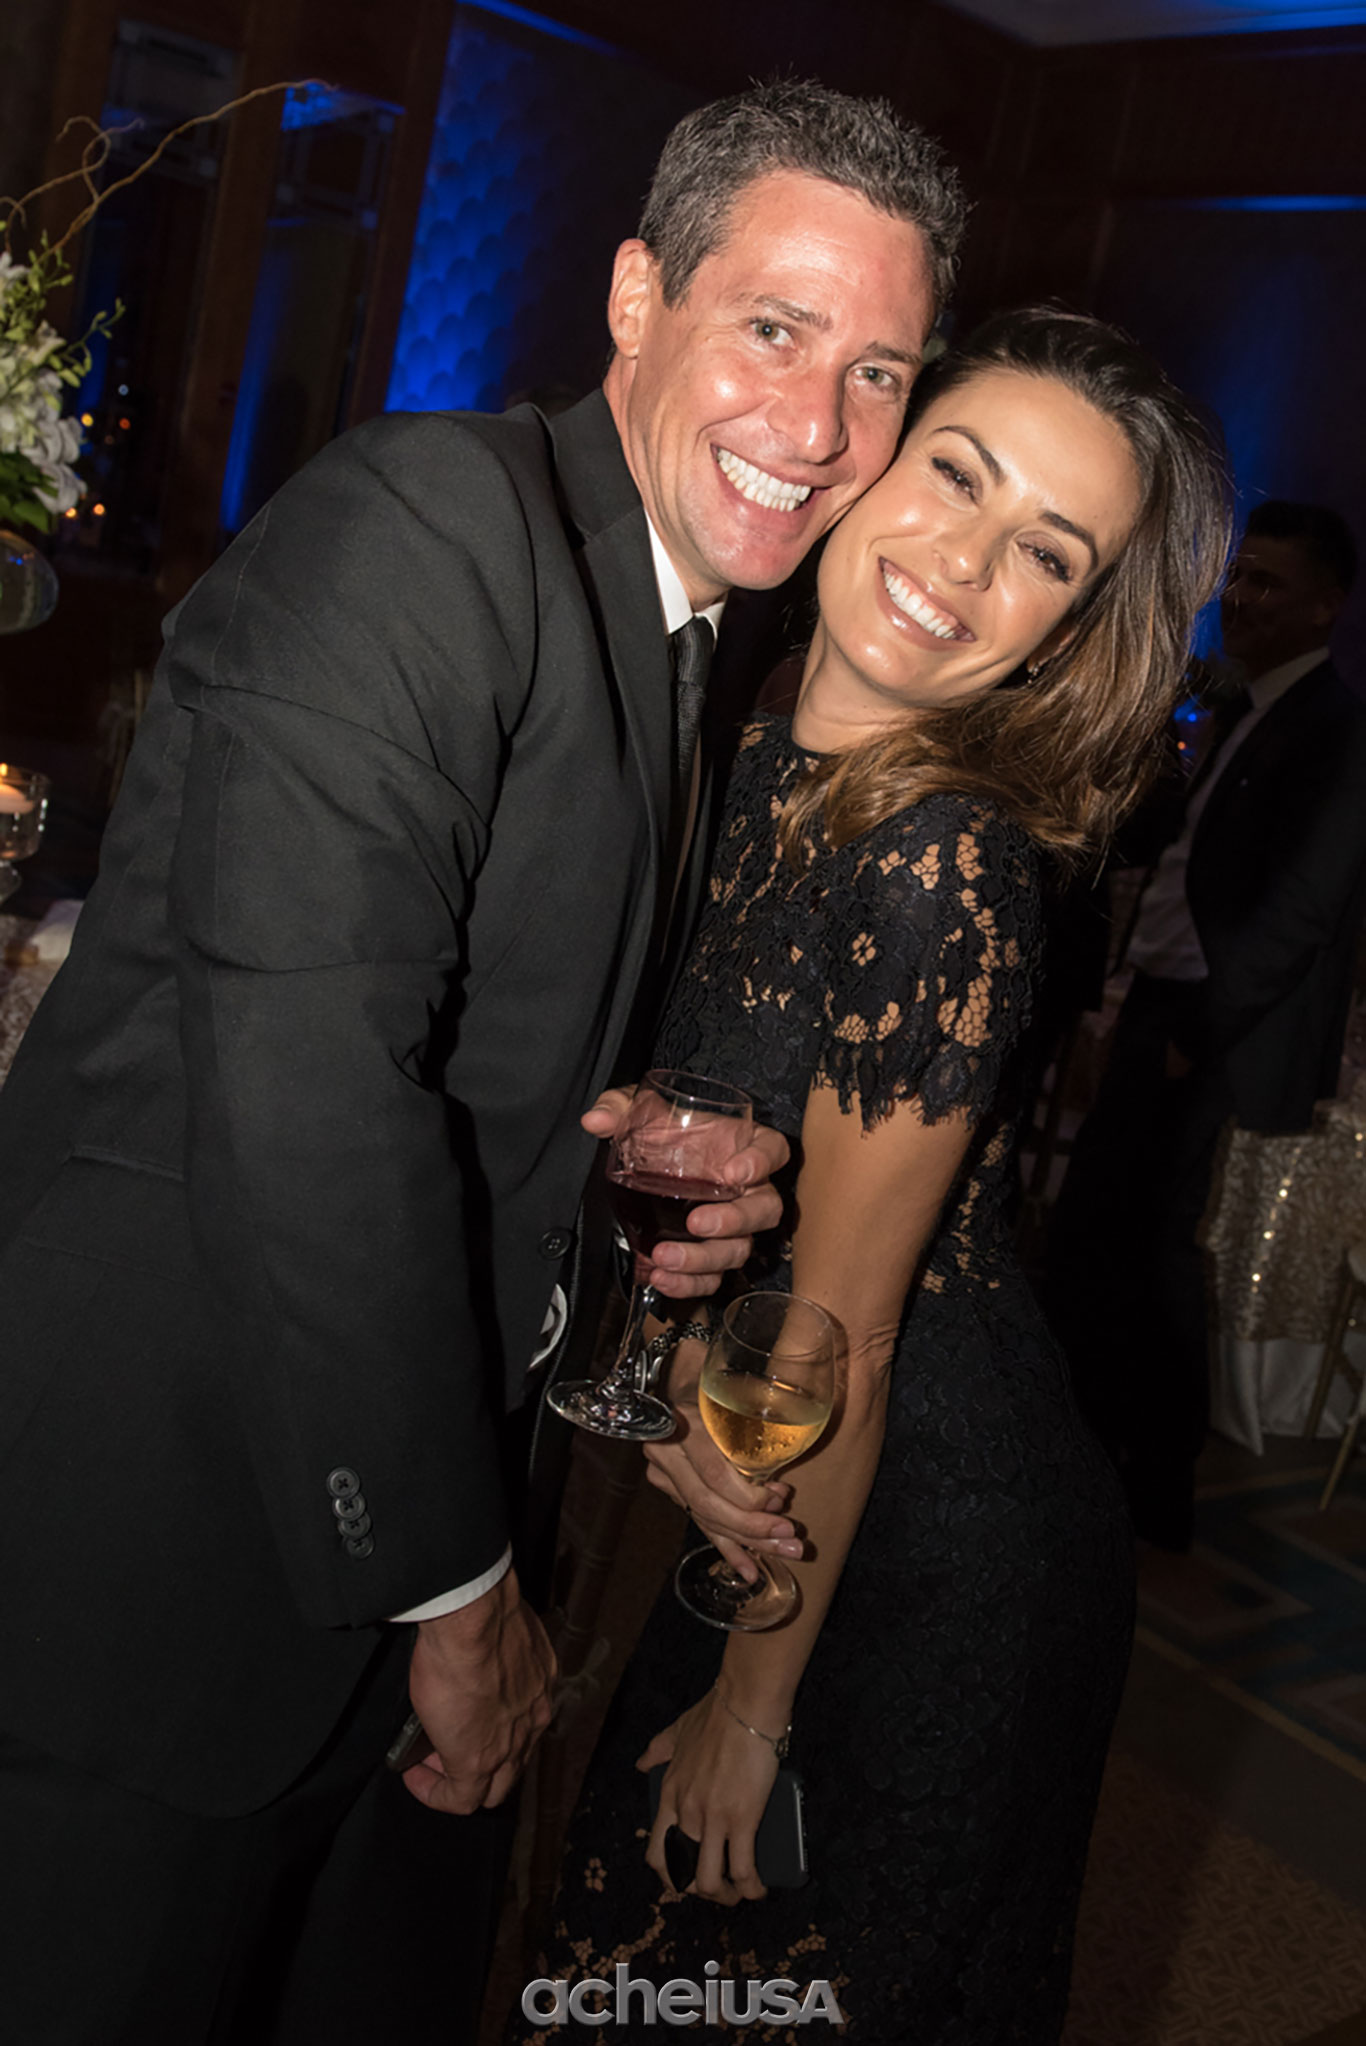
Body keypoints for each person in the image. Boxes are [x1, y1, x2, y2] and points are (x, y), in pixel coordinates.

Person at [0, 82, 965, 2046]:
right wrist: (454, 1593)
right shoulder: (431, 517)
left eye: (877, 372)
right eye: (772, 329)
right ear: (636, 299)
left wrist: (621, 1177)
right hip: (167, 1552)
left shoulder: (673, 622)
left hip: (377, 1522)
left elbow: (482, 1060)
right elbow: (312, 1084)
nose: (816, 426)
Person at [511, 307, 1231, 2043]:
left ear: (1070, 632)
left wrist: (756, 1704)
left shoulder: (941, 862)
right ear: (869, 451)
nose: (965, 562)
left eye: (1044, 553)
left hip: (920, 1540)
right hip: (788, 1484)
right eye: (955, 474)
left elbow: (851, 1323)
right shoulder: (753, 740)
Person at [1047, 499, 1366, 1550]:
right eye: (1239, 576)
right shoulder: (1247, 707)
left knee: (1150, 1248)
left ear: (1324, 608)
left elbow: (1301, 910)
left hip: (1213, 1024)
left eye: (1268, 583)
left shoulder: (1335, 730)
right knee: (1106, 1231)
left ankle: (1152, 1487)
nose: (1240, 599)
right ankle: (1082, 1452)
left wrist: (1198, 1027)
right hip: (1165, 1001)